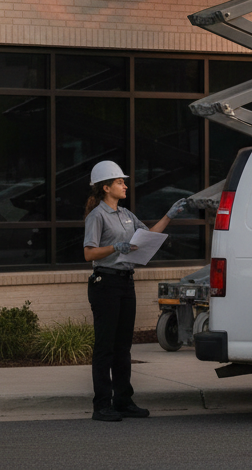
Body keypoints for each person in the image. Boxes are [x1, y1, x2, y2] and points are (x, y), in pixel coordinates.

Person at [83, 160, 192, 422]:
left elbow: (148, 237)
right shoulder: (97, 216)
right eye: (120, 182)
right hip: (105, 283)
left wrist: (168, 215)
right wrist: (115, 247)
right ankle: (102, 405)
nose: (125, 186)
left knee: (123, 346)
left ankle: (123, 401)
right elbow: (89, 253)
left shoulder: (127, 215)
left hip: (125, 283)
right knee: (105, 347)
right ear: (106, 187)